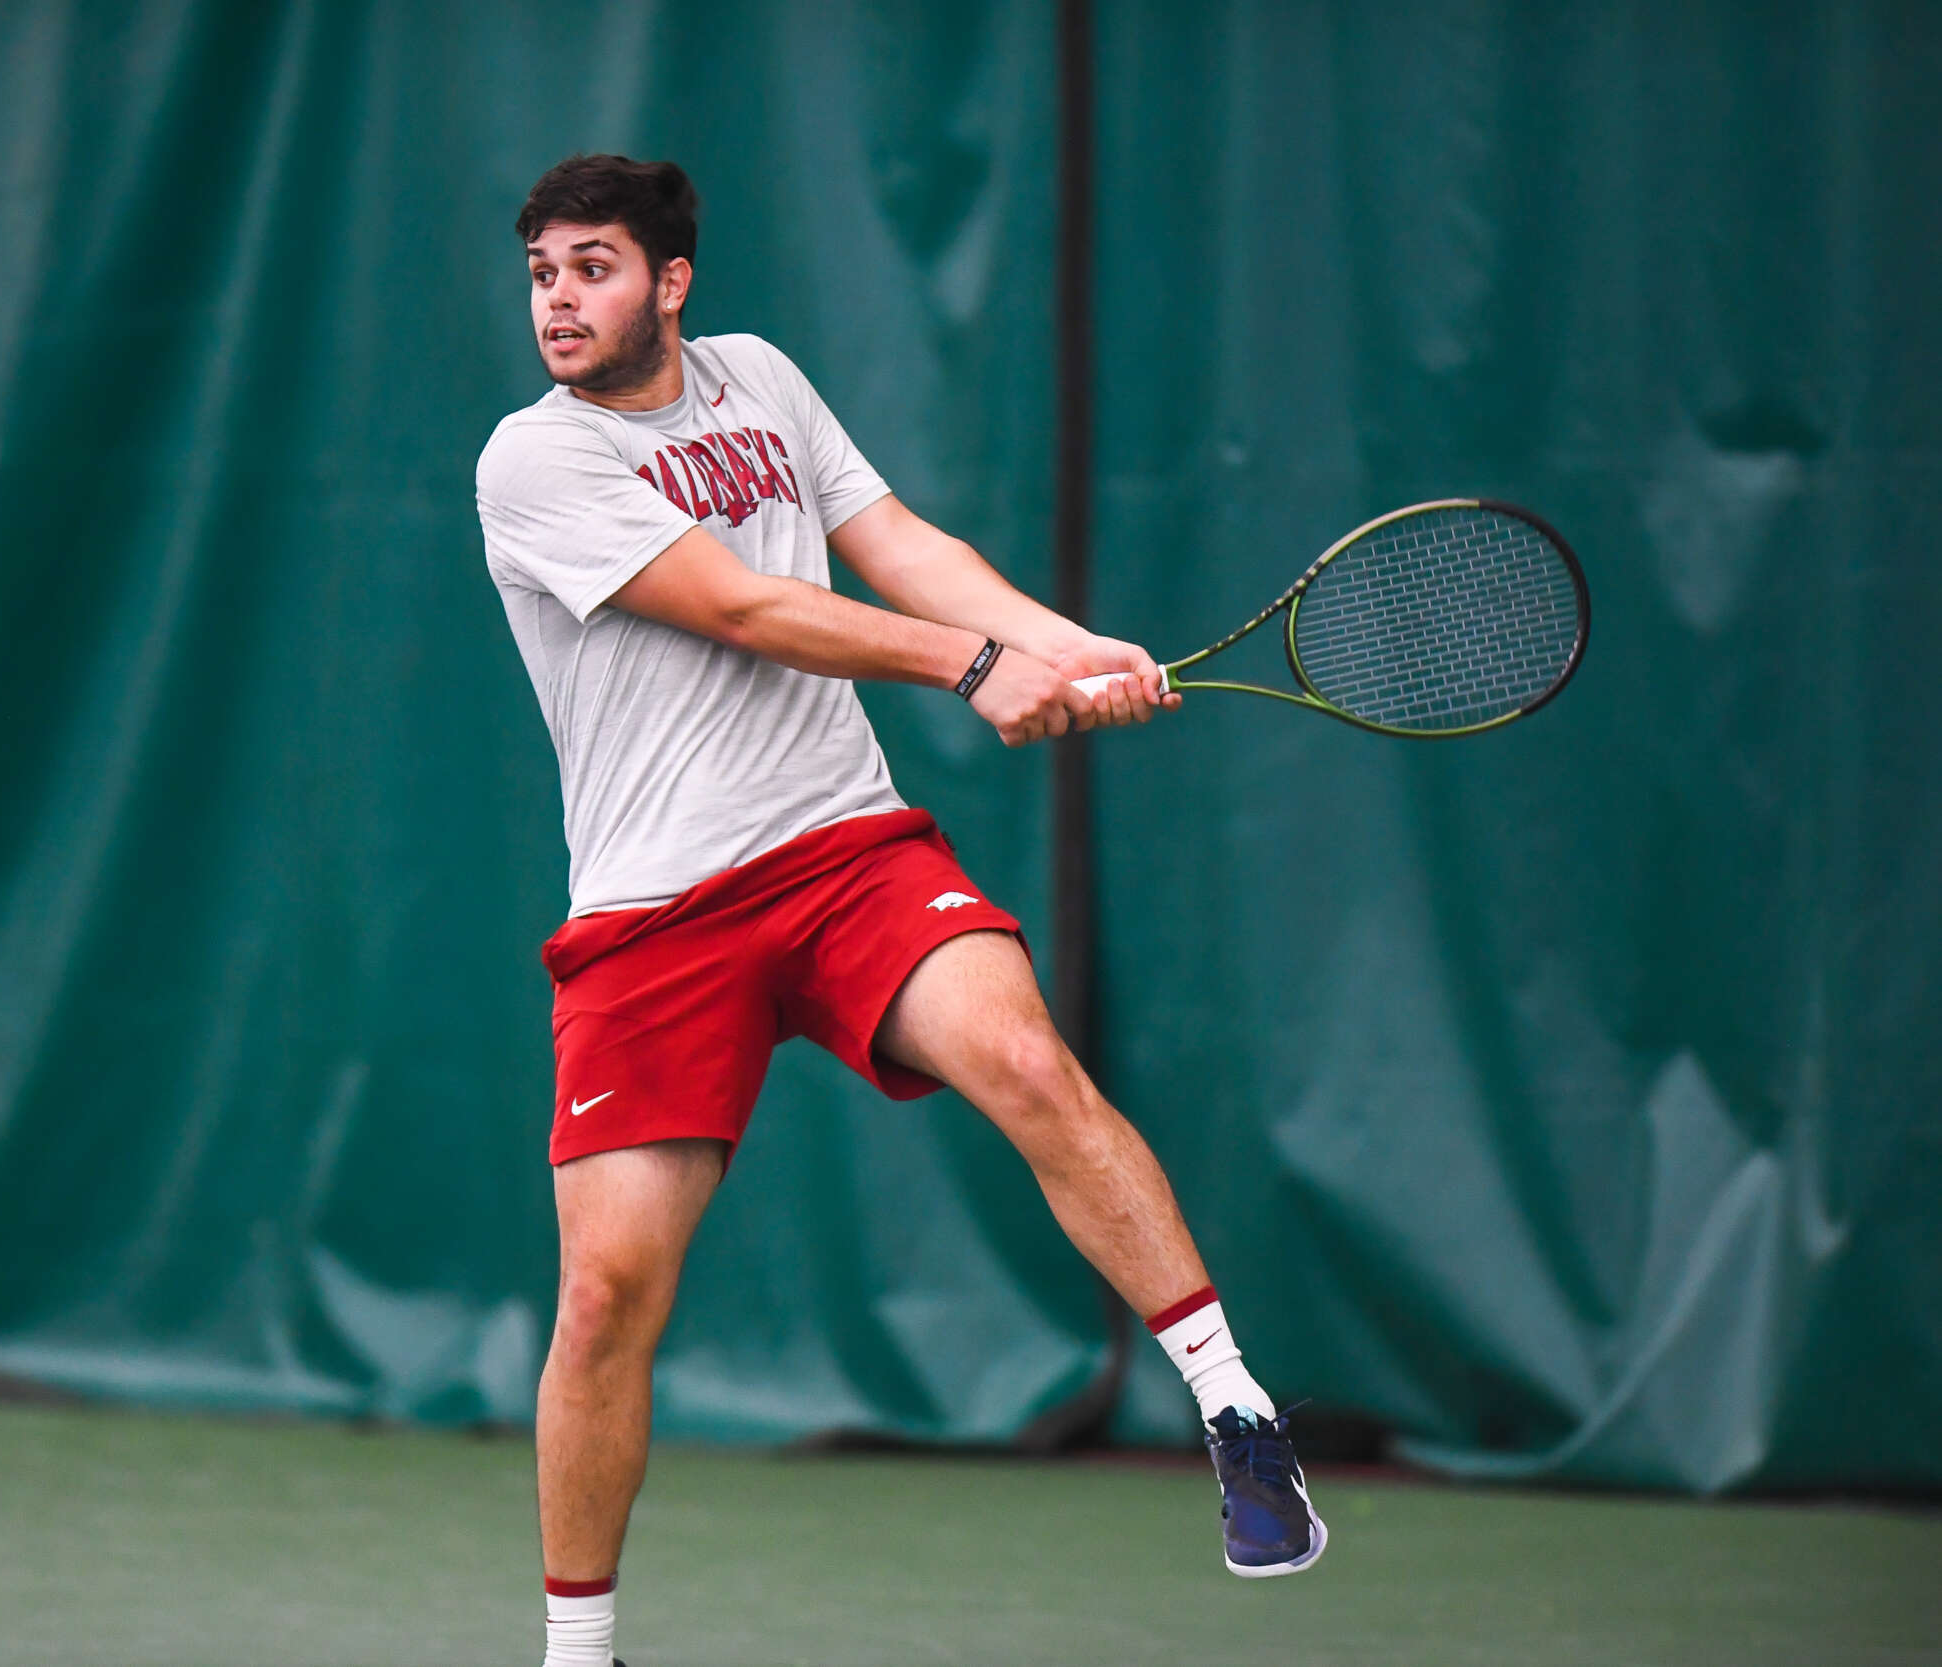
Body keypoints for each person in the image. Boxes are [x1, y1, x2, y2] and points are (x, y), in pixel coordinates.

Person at [475, 153, 1324, 1667]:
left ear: (671, 282)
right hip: (653, 915)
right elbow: (745, 605)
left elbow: (903, 548)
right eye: (542, 271)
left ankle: (1237, 1415)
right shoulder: (530, 462)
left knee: (1028, 1065)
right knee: (605, 1299)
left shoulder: (762, 382)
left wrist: (1066, 644)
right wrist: (976, 671)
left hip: (845, 849)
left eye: (592, 266)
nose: (558, 299)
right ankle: (578, 1654)